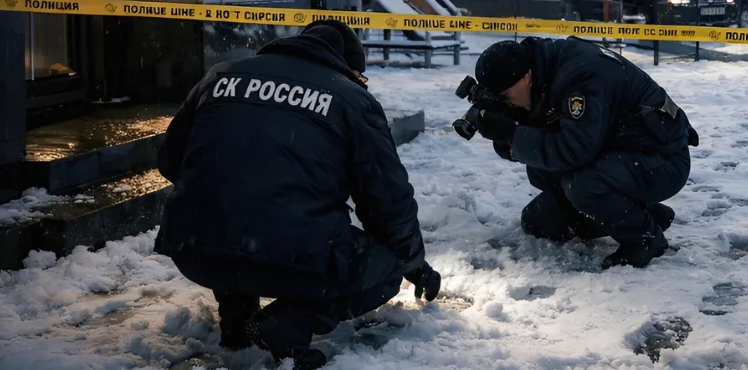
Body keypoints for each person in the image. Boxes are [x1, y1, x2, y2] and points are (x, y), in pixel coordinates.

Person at [155, 20, 440, 370]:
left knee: (232, 206)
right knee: (386, 269)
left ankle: (237, 320)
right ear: (348, 66)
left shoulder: (219, 76)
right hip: (289, 258)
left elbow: (170, 161)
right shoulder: (350, 98)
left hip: (195, 249)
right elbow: (387, 199)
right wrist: (412, 262)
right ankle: (290, 322)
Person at [470, 37, 695, 269]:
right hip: (619, 151)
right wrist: (504, 127)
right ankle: (642, 213)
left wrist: (512, 134)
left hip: (662, 159)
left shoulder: (581, 77)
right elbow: (545, 138)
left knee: (582, 185)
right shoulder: (542, 72)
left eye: (505, 96)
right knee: (539, 220)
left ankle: (645, 238)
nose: (506, 103)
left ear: (525, 77)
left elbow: (574, 150)